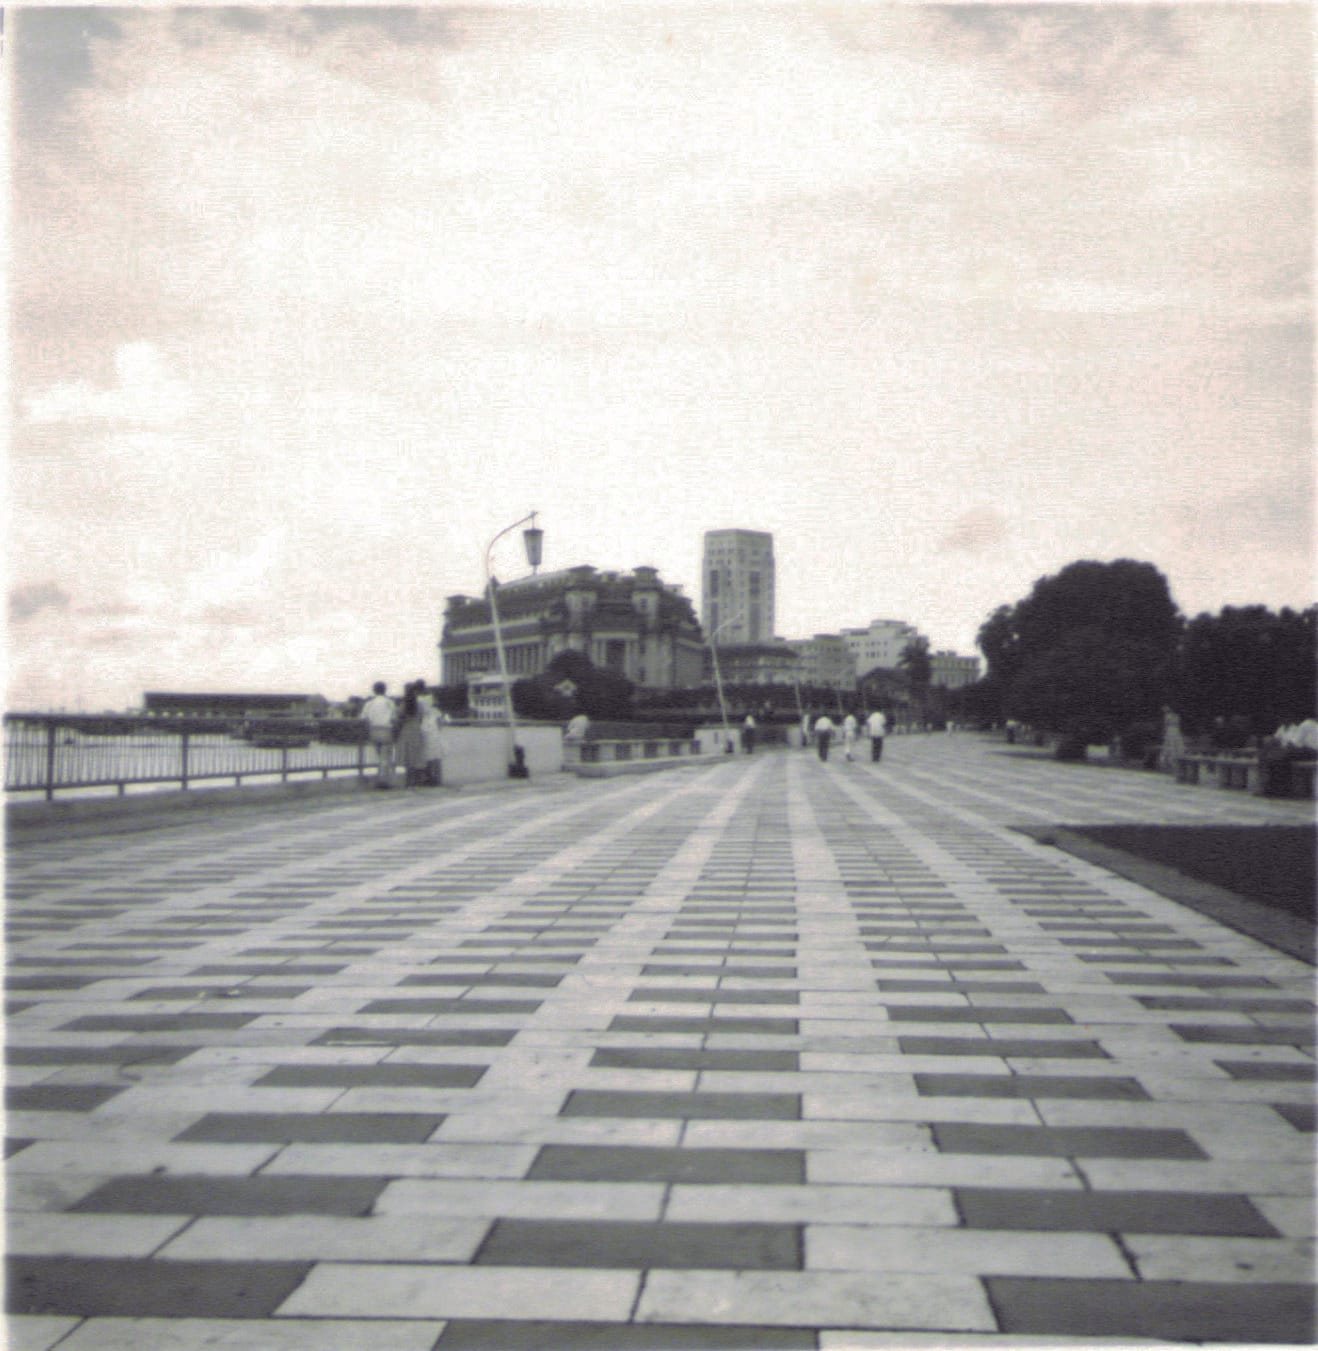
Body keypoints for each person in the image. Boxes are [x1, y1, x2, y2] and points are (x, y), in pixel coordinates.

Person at [360, 681, 397, 788]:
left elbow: (363, 718)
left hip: (373, 730)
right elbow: (394, 718)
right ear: (385, 690)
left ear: (374, 690)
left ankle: (379, 779)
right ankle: (383, 781)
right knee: (385, 757)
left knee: (378, 755)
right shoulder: (389, 702)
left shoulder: (369, 703)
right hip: (386, 730)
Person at [394, 682, 429, 787]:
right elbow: (421, 718)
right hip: (416, 731)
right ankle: (417, 781)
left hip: (406, 731)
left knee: (407, 758)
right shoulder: (419, 705)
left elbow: (399, 718)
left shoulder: (403, 705)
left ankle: (408, 781)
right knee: (416, 757)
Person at [418, 681, 446, 786]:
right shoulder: (434, 708)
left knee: (426, 755)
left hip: (423, 727)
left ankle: (428, 777)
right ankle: (437, 779)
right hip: (434, 729)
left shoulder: (418, 700)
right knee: (436, 755)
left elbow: (419, 715)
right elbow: (440, 723)